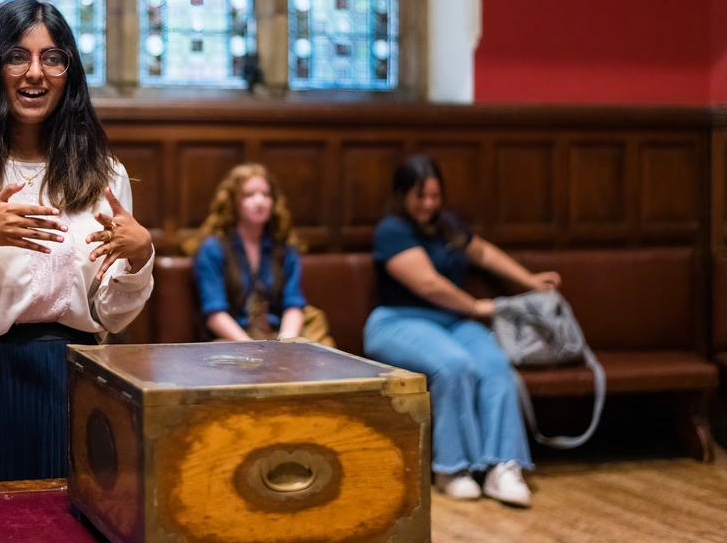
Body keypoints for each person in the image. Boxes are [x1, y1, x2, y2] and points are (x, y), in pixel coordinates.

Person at [0, 0, 154, 486]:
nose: (35, 72)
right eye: (18, 55)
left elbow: (109, 316)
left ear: (69, 72)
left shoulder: (103, 174)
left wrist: (139, 257)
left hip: (72, 382)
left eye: (52, 57)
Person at [362, 154, 561, 507]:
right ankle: (452, 468)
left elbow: (482, 253)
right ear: (402, 195)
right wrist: (475, 306)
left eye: (435, 196)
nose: (428, 204)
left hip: (451, 322)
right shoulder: (391, 230)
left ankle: (504, 467)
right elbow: (428, 284)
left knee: (496, 365)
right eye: (420, 196)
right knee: (454, 365)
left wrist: (530, 281)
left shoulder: (448, 225)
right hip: (397, 320)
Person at [185, 163, 334, 345]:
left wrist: (287, 343)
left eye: (266, 194)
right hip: (233, 340)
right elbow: (215, 314)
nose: (260, 201)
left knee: (320, 344)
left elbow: (293, 304)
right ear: (234, 202)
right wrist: (252, 347)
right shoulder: (213, 248)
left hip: (277, 336)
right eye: (249, 195)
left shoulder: (284, 248)